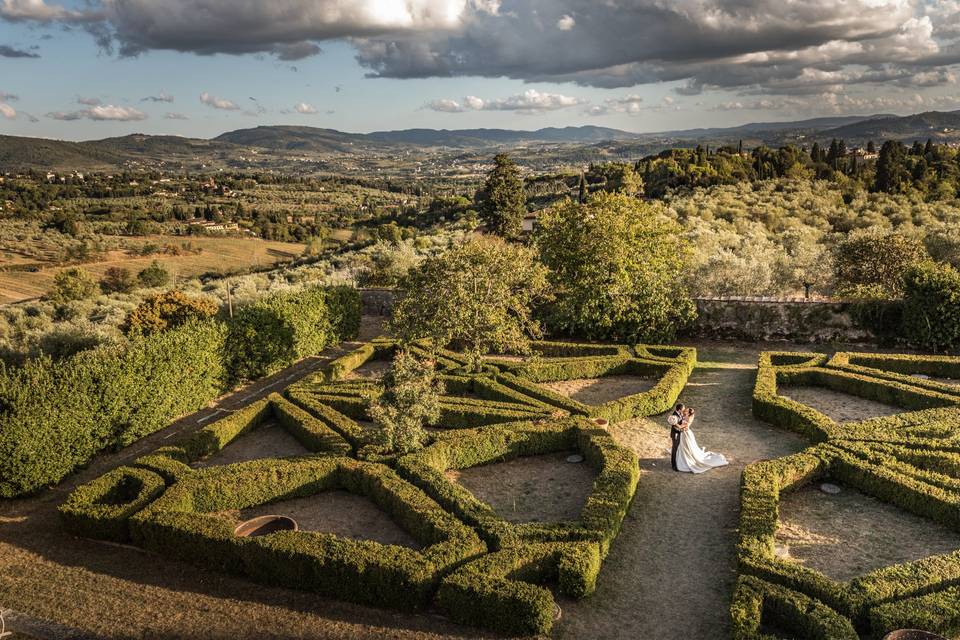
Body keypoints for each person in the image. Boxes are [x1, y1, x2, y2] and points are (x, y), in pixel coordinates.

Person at [674, 407, 729, 474]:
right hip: (683, 434)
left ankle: (686, 461)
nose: (685, 411)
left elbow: (680, 427)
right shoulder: (685, 416)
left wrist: (673, 423)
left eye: (687, 411)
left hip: (686, 434)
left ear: (689, 413)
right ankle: (682, 459)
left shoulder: (688, 419)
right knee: (683, 447)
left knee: (687, 448)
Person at [667, 403, 686, 472]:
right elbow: (675, 427)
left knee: (678, 448)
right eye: (683, 409)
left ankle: (678, 462)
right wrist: (681, 429)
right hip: (675, 434)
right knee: (674, 449)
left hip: (679, 433)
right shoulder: (674, 416)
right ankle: (674, 465)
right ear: (679, 409)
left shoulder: (680, 414)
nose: (684, 410)